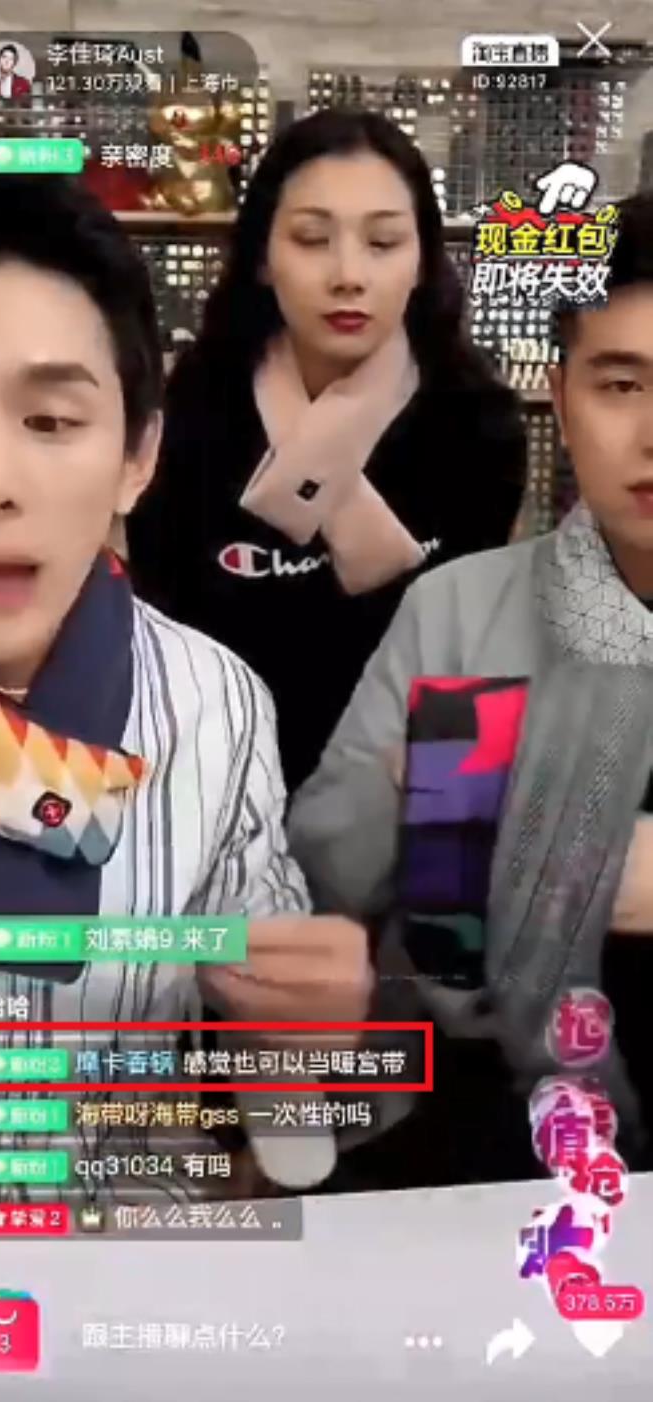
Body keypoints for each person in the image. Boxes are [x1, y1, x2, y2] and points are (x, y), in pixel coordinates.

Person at [0, 151, 371, 1218]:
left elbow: (281, 1126)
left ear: (137, 455)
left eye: (50, 421)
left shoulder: (213, 706)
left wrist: (296, 1047)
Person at [289, 192, 653, 1183]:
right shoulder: (458, 609)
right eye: (622, 384)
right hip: (485, 1121)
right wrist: (414, 799)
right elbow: (319, 878)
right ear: (561, 397)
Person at [128, 109, 527, 792]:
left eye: (383, 242)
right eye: (313, 239)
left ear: (422, 260)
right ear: (263, 257)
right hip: (211, 788)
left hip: (401, 803)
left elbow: (472, 673)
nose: (348, 275)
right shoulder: (190, 416)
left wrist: (443, 842)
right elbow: (160, 647)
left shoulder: (477, 427)